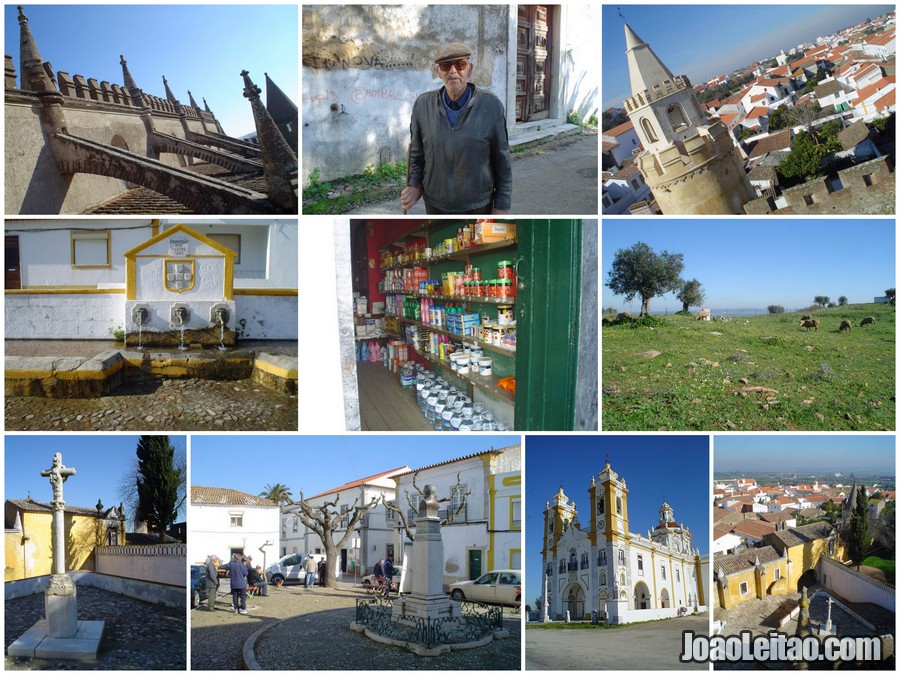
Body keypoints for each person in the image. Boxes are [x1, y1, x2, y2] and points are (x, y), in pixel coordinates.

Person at [400, 42, 512, 215]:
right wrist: (415, 185)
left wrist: (502, 205)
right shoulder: (423, 105)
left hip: (478, 205)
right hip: (435, 204)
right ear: (439, 72)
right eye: (446, 66)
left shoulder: (491, 106)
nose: (453, 71)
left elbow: (502, 160)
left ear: (470, 69)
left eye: (460, 65)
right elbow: (417, 153)